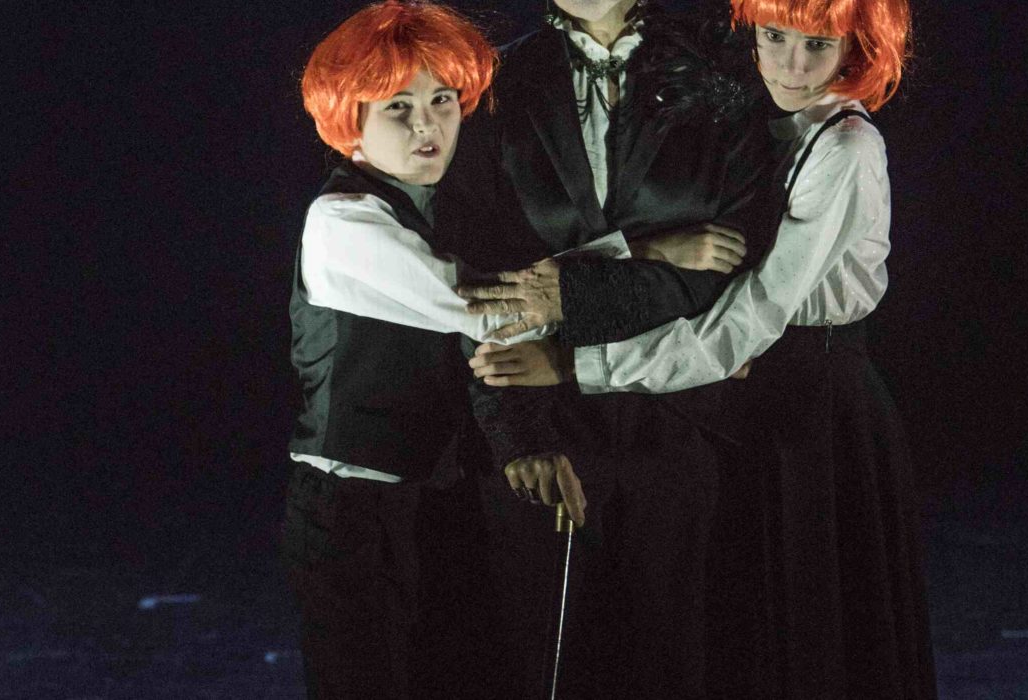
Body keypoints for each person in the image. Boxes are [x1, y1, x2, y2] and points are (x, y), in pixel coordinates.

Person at [464, 0, 938, 696]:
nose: (791, 64)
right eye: (774, 37)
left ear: (856, 49)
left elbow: (745, 310)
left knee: (813, 634)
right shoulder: (771, 113)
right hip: (742, 391)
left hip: (803, 394)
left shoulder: (838, 143)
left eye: (818, 45)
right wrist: (642, 251)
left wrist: (573, 358)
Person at [437, 1, 776, 697]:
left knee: (673, 663)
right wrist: (519, 436)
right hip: (545, 422)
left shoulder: (720, 69)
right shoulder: (494, 83)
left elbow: (729, 270)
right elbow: (483, 278)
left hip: (685, 420)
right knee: (544, 664)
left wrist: (570, 293)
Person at [280, 4, 515, 698]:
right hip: (349, 513)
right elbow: (485, 308)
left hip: (429, 500)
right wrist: (640, 267)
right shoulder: (342, 220)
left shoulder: (436, 205)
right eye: (398, 108)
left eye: (442, 100)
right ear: (350, 119)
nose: (427, 127)